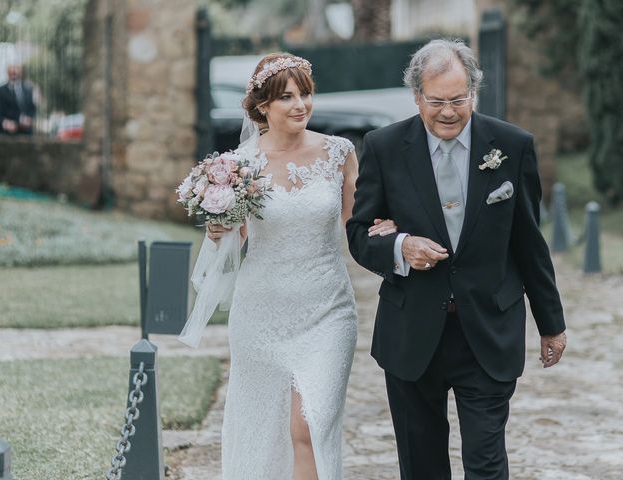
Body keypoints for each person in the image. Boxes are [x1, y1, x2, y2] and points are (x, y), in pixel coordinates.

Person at [346, 39, 567, 479]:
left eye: (459, 99)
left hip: (487, 329)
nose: (448, 111)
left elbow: (528, 241)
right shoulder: (384, 147)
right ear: (416, 97)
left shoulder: (512, 145)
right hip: (412, 335)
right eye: (437, 101)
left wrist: (552, 324)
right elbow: (358, 234)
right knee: (422, 466)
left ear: (474, 94)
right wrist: (400, 247)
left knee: (486, 464)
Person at [204, 53, 396, 479]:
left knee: (309, 425)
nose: (300, 105)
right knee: (266, 430)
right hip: (260, 312)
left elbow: (357, 224)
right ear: (262, 107)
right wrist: (220, 232)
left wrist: (386, 231)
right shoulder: (239, 165)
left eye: (305, 93)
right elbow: (235, 239)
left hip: (327, 310)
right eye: (287, 96)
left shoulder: (339, 152)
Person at [0, 64, 36, 134]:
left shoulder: (28, 89)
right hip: (10, 130)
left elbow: (32, 106)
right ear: (8, 73)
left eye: (15, 70)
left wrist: (29, 118)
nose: (14, 72)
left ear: (20, 72)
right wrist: (20, 119)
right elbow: (2, 109)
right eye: (11, 71)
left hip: (27, 130)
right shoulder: (0, 90)